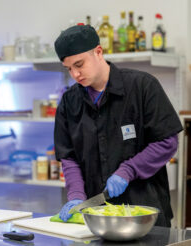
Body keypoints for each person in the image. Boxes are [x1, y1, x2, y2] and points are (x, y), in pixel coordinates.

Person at [53, 24, 183, 227]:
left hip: (145, 214)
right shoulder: (69, 102)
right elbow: (69, 158)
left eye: (79, 64)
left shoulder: (142, 87)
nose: (75, 74)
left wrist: (129, 170)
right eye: (69, 68)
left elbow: (167, 141)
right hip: (97, 218)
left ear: (98, 52)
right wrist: (76, 195)